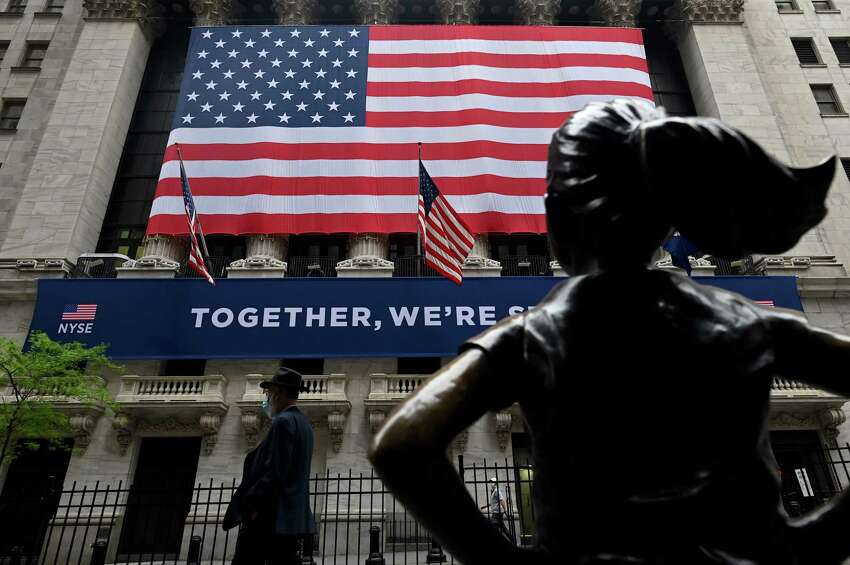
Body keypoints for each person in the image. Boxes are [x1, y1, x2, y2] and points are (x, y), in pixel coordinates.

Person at [368, 99, 850, 564]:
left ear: (556, 213)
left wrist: (500, 559)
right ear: (666, 220)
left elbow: (402, 443)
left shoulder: (534, 335)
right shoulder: (751, 322)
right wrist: (815, 541)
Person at [224, 367, 316, 565]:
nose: (267, 398)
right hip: (290, 517)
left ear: (280, 393)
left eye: (269, 393)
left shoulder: (283, 422)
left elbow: (275, 470)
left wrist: (254, 506)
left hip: (271, 516)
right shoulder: (304, 425)